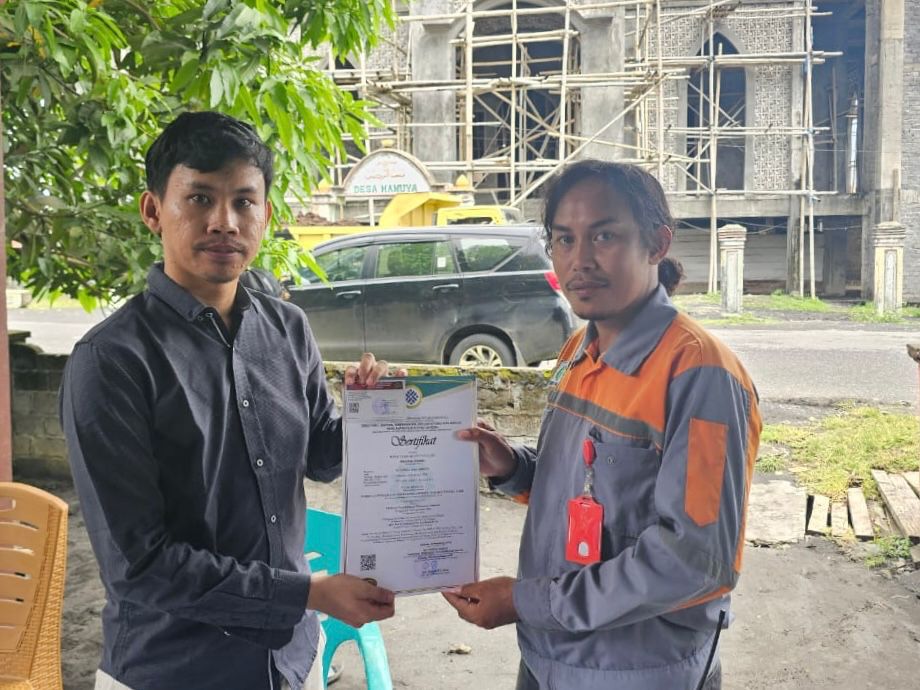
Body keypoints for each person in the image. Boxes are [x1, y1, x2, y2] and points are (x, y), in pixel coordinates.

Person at [60, 111, 398, 690]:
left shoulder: (287, 328)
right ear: (153, 211)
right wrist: (307, 593)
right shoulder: (111, 361)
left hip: (291, 661)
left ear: (265, 215)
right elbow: (140, 565)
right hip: (174, 669)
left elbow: (320, 457)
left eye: (244, 201)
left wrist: (371, 417)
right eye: (199, 199)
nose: (225, 221)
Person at [443, 160, 762, 690]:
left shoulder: (701, 375)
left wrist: (525, 600)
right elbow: (591, 487)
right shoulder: (579, 348)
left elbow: (694, 562)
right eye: (564, 239)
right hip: (546, 655)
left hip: (637, 672)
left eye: (604, 235)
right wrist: (512, 467)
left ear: (657, 244)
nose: (580, 260)